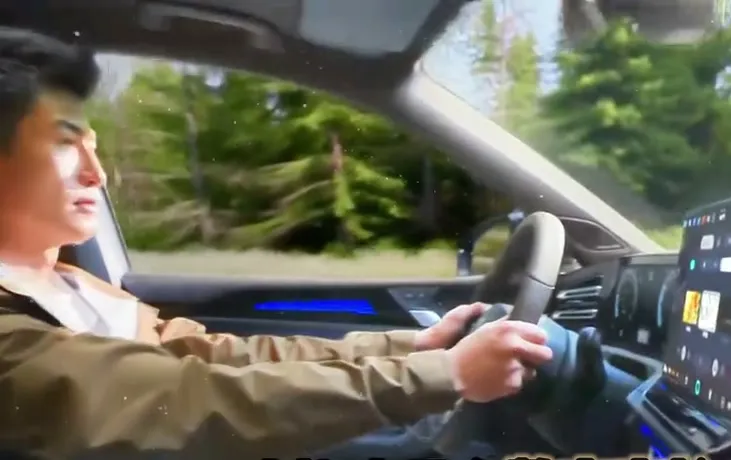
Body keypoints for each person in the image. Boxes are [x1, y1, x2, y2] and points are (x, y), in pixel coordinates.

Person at [0, 29, 554, 459]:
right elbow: (189, 398)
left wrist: (412, 348)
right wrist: (444, 376)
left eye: (95, 147)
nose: (97, 174)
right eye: (65, 145)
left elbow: (220, 356)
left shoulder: (72, 287)